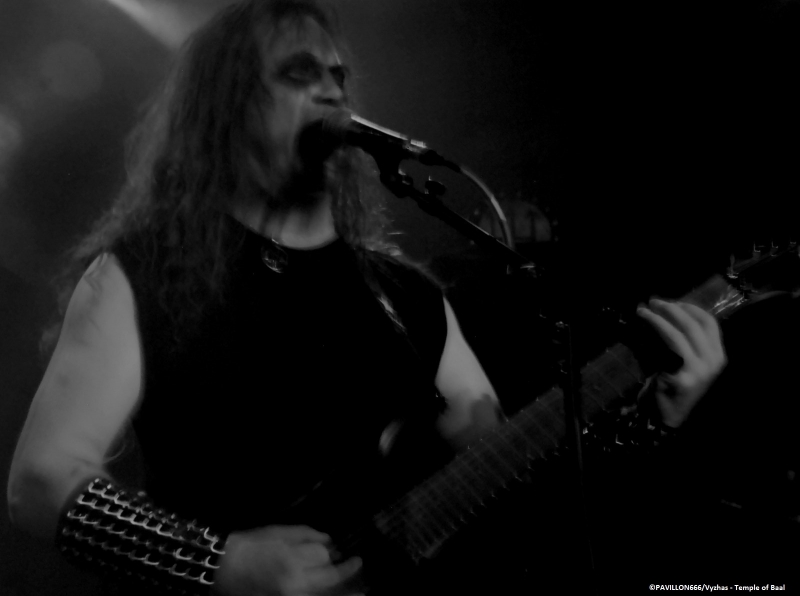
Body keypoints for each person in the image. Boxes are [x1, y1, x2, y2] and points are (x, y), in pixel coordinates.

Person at [6, 1, 726, 595]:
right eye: (299, 72)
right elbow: (40, 483)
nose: (332, 90)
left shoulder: (409, 297)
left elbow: (515, 490)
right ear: (223, 108)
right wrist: (214, 562)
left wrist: (648, 420)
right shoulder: (141, 274)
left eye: (338, 75)